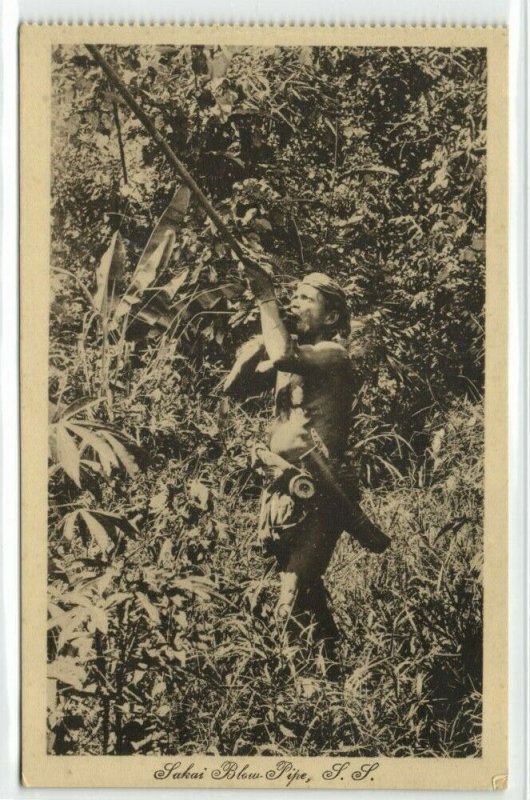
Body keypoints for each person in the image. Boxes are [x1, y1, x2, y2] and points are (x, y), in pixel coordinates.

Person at [223, 255, 386, 674]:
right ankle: (335, 676)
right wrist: (265, 333)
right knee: (305, 595)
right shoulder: (291, 354)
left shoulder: (333, 354)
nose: (295, 303)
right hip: (282, 486)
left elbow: (283, 357)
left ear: (331, 315)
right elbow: (232, 387)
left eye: (306, 298)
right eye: (291, 297)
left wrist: (266, 298)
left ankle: (296, 692)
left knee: (290, 597)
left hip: (322, 491)